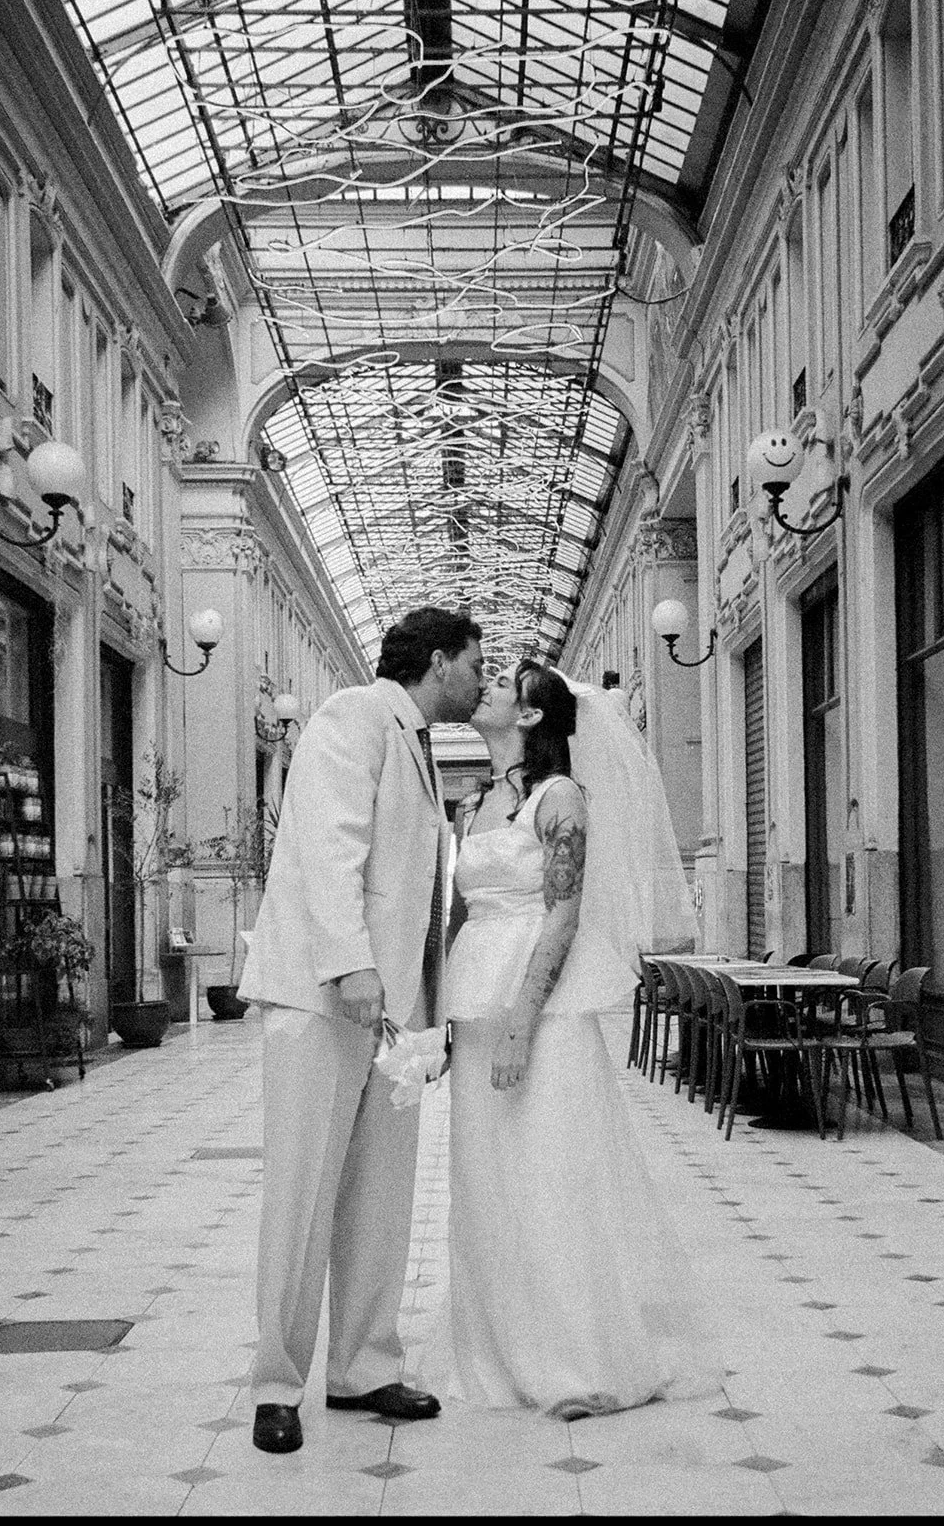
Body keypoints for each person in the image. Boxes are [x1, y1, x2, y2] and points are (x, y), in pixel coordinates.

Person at [426, 658, 722, 1418]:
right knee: (485, 1179)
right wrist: (445, 1015)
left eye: (503, 684)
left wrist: (523, 1018)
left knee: (551, 1172)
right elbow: (459, 915)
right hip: (475, 1003)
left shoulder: (561, 799)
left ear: (529, 716)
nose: (485, 686)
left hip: (541, 1013)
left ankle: (578, 1361)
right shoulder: (472, 804)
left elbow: (561, 913)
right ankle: (496, 1350)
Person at [238, 607, 485, 1454]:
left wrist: (424, 1005)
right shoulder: (353, 715)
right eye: (475, 664)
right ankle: (278, 1382)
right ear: (440, 660)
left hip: (390, 1014)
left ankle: (362, 1366)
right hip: (325, 995)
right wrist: (349, 964)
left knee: (381, 1197)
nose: (482, 681)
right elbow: (326, 845)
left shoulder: (415, 739)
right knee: (302, 1193)